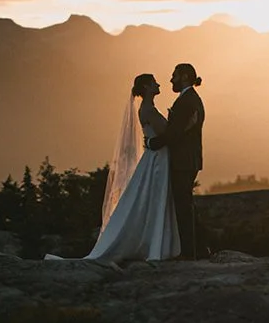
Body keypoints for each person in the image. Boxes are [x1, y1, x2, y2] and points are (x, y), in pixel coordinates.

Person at [47, 73, 180, 262]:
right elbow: (166, 131)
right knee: (155, 196)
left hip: (156, 155)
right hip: (158, 159)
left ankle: (155, 241)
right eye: (153, 83)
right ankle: (156, 244)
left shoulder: (146, 108)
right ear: (146, 87)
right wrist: (174, 119)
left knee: (151, 197)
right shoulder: (149, 110)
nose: (158, 84)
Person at [146, 63, 204, 259]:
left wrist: (153, 143)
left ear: (185, 77)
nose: (171, 80)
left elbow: (175, 133)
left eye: (174, 76)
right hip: (188, 160)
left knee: (183, 206)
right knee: (185, 204)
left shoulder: (187, 101)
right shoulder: (189, 99)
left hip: (184, 161)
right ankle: (199, 249)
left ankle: (189, 253)